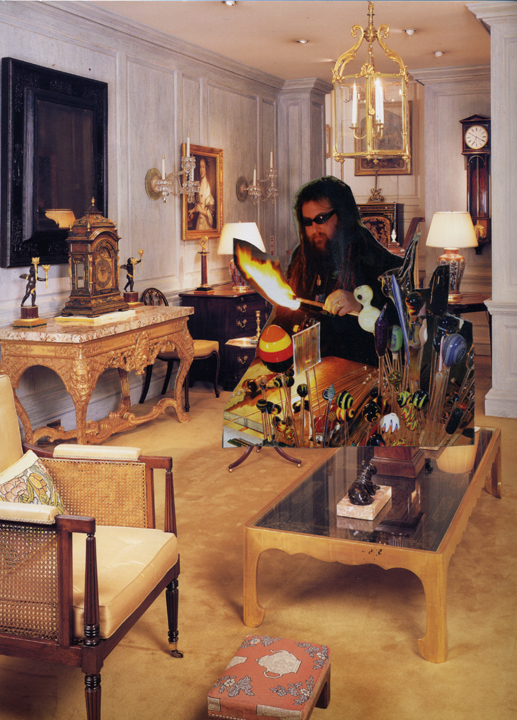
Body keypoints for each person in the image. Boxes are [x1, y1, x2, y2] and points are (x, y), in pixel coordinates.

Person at [286, 176, 403, 365]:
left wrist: (362, 305)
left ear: (341, 215)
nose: (314, 229)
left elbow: (401, 318)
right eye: (307, 222)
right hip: (311, 363)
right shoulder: (302, 256)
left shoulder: (372, 255)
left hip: (361, 364)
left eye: (321, 219)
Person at [189, 157, 214, 230]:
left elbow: (210, 211)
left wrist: (200, 210)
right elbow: (199, 204)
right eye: (200, 167)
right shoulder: (199, 184)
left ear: (206, 168)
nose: (201, 170)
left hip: (206, 223)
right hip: (199, 221)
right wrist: (192, 210)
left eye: (203, 167)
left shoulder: (208, 186)